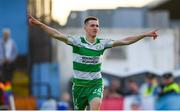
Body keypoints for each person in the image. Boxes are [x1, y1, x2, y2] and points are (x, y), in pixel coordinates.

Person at [29, 15, 158, 110]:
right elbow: (57, 34)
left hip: (95, 84)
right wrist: (40, 24)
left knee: (95, 106)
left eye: (97, 25)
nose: (95, 28)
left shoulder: (102, 43)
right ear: (85, 28)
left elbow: (125, 41)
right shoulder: (77, 42)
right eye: (92, 25)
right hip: (79, 86)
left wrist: (144, 34)